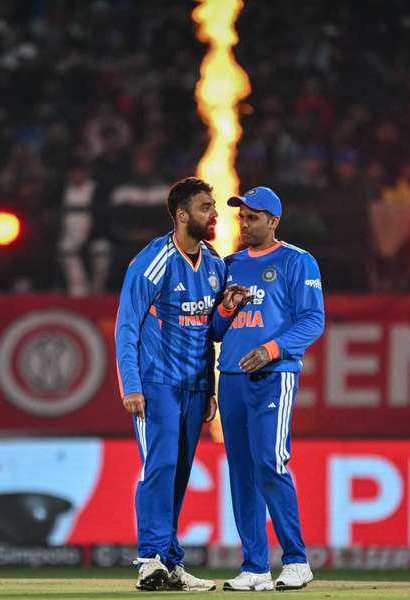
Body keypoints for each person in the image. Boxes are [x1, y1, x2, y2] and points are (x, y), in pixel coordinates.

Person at [115, 176, 248, 591]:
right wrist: (131, 385)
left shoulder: (213, 264)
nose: (215, 215)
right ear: (182, 214)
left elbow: (210, 331)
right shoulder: (152, 261)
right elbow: (126, 327)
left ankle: (169, 563)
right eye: (207, 207)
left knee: (179, 473)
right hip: (156, 384)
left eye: (214, 207)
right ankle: (149, 558)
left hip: (193, 386)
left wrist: (226, 310)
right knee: (160, 466)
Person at [214, 186, 325, 591]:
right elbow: (214, 329)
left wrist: (271, 349)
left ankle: (296, 561)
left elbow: (313, 320)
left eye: (253, 217)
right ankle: (255, 567)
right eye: (241, 216)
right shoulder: (230, 264)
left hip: (273, 376)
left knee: (270, 464)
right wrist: (227, 307)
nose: (244, 223)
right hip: (231, 377)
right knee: (242, 473)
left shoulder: (297, 261)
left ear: (273, 221)